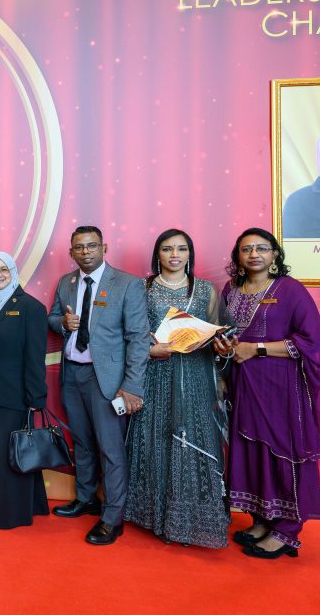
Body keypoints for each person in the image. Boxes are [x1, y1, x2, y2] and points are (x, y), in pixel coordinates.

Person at [213, 228, 320, 559]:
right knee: (250, 449)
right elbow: (228, 335)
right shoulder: (231, 289)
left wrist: (257, 349)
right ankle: (263, 519)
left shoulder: (290, 290)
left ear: (274, 254)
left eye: (261, 248)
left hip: (280, 388)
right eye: (246, 249)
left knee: (281, 451)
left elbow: (310, 343)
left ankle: (286, 531)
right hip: (242, 384)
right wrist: (224, 347)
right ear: (237, 256)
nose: (254, 254)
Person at [123, 229, 230, 548]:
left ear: (189, 254)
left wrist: (223, 345)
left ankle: (191, 521)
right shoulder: (142, 287)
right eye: (167, 249)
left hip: (196, 377)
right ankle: (155, 517)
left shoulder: (206, 290)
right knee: (155, 440)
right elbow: (128, 334)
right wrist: (148, 351)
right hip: (155, 376)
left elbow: (220, 334)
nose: (174, 255)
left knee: (191, 441)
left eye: (181, 249)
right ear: (157, 254)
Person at [47, 225, 149, 545]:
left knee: (110, 449)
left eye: (92, 246)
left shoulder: (128, 284)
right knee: (82, 442)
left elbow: (139, 339)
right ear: (71, 252)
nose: (86, 252)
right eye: (79, 247)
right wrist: (63, 323)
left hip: (106, 380)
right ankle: (86, 498)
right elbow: (52, 318)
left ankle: (113, 517)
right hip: (72, 375)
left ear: (104, 248)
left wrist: (132, 386)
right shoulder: (66, 282)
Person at [0, 252, 48, 529]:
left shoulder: (31, 308)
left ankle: (8, 513)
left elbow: (35, 356)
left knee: (10, 454)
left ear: (13, 272)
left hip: (13, 396)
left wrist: (35, 397)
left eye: (4, 269)